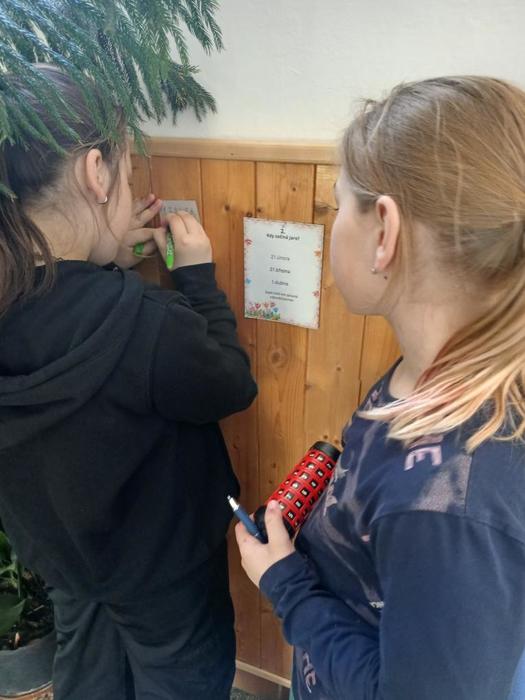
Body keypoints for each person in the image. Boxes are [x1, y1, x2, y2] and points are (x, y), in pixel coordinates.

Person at [236, 76, 525, 700]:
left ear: (384, 232)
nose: (333, 221)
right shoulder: (423, 375)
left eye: (337, 204)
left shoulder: (451, 508)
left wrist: (285, 583)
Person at [0, 65, 257, 700]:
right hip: (165, 580)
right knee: (182, 681)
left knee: (88, 674)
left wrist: (102, 260)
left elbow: (56, 313)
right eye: (128, 170)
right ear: (96, 173)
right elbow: (230, 384)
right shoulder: (147, 323)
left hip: (66, 566)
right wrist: (196, 279)